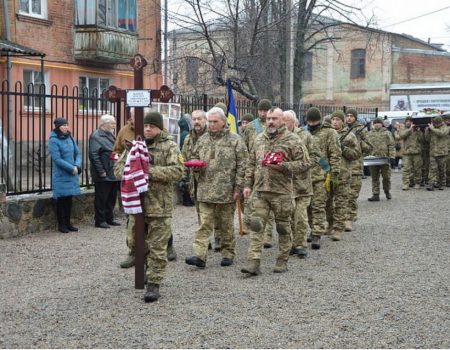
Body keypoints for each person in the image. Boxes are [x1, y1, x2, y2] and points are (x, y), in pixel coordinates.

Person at [241, 107, 309, 275]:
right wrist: (247, 185)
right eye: (269, 118)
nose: (270, 121)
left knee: (283, 227)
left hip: (282, 192)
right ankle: (253, 262)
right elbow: (251, 163)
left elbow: (305, 163)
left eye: (275, 119)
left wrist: (283, 166)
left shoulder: (292, 140)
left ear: (282, 121)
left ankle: (282, 259)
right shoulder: (258, 139)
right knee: (256, 226)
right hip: (261, 190)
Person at [185, 107, 248, 268]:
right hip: (205, 189)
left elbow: (243, 165)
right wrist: (194, 165)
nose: (212, 125)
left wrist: (238, 188)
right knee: (204, 224)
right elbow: (194, 156)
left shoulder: (235, 140)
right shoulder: (203, 139)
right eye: (210, 121)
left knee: (226, 225)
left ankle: (228, 253)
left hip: (226, 191)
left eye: (215, 122)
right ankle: (200, 255)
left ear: (223, 122)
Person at [141, 111, 184, 302]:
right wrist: (129, 170)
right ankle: (145, 270)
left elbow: (177, 171)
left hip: (159, 206)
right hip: (137, 206)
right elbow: (119, 167)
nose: (148, 129)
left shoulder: (170, 146)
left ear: (160, 128)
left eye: (151, 126)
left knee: (158, 247)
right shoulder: (137, 145)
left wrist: (149, 172)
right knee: (136, 244)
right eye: (146, 126)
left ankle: (154, 284)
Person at [304, 107, 341, 249]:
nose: (312, 123)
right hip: (305, 175)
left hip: (322, 174)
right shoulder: (304, 132)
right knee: (307, 207)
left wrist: (334, 174)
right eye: (309, 121)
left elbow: (335, 154)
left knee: (318, 206)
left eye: (314, 121)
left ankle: (317, 234)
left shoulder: (330, 132)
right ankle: (313, 228)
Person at [283, 110, 317, 258]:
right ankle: (291, 244)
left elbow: (315, 156)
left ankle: (301, 244)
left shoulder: (305, 136)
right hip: (285, 185)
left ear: (294, 122)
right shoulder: (277, 138)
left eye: (286, 121)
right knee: (288, 216)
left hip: (302, 184)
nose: (283, 124)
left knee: (301, 216)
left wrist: (304, 166)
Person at [242, 99, 275, 248]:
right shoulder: (250, 127)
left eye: (265, 111)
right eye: (260, 110)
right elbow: (244, 148)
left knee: (269, 201)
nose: (262, 113)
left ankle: (267, 235)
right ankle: (252, 228)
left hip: (271, 168)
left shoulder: (274, 125)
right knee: (251, 202)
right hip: (254, 167)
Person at [327, 111, 361, 241]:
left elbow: (356, 154)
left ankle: (338, 229)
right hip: (328, 174)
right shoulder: (327, 134)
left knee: (341, 202)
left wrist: (343, 148)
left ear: (342, 121)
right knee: (327, 203)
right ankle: (330, 224)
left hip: (343, 174)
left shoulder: (350, 136)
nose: (335, 122)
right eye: (333, 119)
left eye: (338, 119)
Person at [48, 118, 82, 233]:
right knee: (61, 200)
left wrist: (77, 166)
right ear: (58, 127)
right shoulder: (53, 140)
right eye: (63, 126)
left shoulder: (70, 137)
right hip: (62, 174)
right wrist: (71, 168)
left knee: (69, 199)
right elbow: (57, 159)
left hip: (72, 173)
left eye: (67, 125)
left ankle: (68, 223)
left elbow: (77, 153)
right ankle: (61, 225)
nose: (66, 127)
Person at [89, 114, 121, 228]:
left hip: (112, 170)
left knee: (111, 197)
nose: (114, 125)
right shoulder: (96, 136)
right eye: (112, 123)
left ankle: (109, 218)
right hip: (103, 171)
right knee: (102, 198)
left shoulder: (110, 134)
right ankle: (100, 220)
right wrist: (101, 171)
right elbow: (94, 155)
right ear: (104, 124)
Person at [345, 109, 372, 231]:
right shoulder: (342, 129)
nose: (349, 118)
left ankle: (349, 218)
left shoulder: (362, 130)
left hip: (355, 167)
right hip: (342, 166)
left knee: (352, 194)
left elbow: (369, 148)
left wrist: (359, 141)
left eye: (351, 116)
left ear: (355, 118)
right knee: (341, 194)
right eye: (347, 116)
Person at [367, 118, 395, 201]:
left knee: (386, 177)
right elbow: (366, 145)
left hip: (384, 159)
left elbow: (391, 145)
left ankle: (387, 191)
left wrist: (392, 157)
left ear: (381, 124)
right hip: (373, 159)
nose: (377, 124)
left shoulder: (387, 133)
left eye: (378, 123)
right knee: (374, 177)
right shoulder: (369, 133)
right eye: (375, 123)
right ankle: (375, 194)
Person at [398, 117, 423, 190]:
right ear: (405, 122)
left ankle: (417, 183)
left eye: (410, 121)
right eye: (407, 121)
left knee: (417, 169)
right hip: (407, 153)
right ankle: (406, 184)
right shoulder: (403, 129)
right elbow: (402, 135)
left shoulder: (417, 130)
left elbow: (422, 139)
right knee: (406, 169)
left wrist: (418, 131)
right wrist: (410, 129)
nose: (408, 122)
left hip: (417, 153)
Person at [425, 116, 449, 191]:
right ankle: (431, 184)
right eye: (434, 123)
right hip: (433, 152)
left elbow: (442, 133)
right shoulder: (432, 128)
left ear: (441, 123)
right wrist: (427, 131)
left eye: (436, 123)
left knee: (441, 169)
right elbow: (427, 139)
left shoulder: (446, 127)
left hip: (442, 153)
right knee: (432, 169)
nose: (435, 125)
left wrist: (432, 128)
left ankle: (441, 183)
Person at [177, 114, 194, 206]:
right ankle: (187, 200)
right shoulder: (186, 135)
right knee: (187, 179)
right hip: (186, 158)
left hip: (183, 158)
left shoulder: (183, 133)